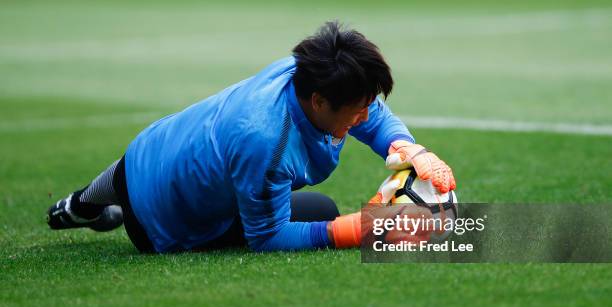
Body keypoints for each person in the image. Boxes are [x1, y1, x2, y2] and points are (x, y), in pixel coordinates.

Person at [46, 21, 456, 253]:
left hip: (147, 150)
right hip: (163, 223)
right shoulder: (266, 142)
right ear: (319, 101)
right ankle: (104, 210)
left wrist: (406, 146)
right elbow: (268, 236)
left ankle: (79, 205)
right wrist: (353, 231)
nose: (367, 116)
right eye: (357, 108)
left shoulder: (301, 71)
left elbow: (372, 114)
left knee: (128, 178)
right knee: (321, 211)